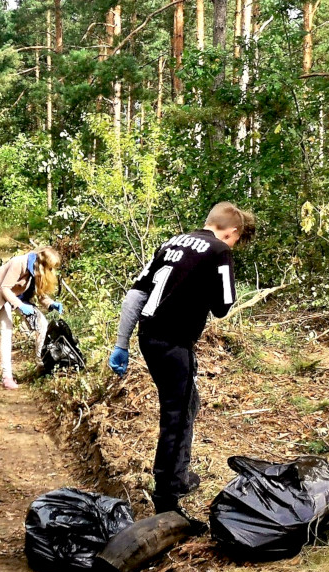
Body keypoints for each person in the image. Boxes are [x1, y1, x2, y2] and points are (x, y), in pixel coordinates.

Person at [109, 203, 256, 522]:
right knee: (176, 417)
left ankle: (178, 476)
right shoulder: (219, 251)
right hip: (174, 342)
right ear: (230, 233)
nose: (231, 246)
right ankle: (166, 498)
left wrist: (122, 343)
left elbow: (135, 294)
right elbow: (224, 305)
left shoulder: (172, 243)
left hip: (148, 336)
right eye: (234, 240)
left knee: (188, 403)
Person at [0, 247, 64, 389]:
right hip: (0, 294)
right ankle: (7, 376)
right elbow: (5, 288)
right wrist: (20, 306)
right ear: (43, 263)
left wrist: (51, 304)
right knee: (6, 331)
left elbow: (40, 294)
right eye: (51, 268)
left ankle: (41, 365)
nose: (52, 271)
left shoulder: (40, 270)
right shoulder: (19, 263)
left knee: (43, 325)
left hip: (19, 297)